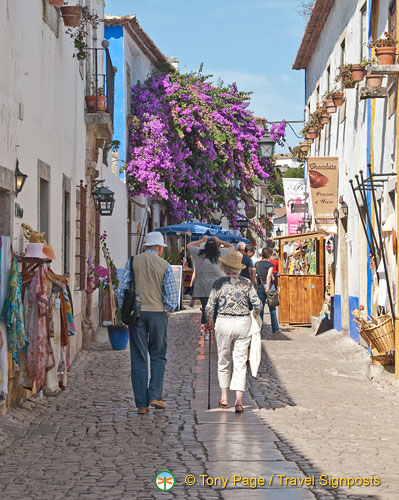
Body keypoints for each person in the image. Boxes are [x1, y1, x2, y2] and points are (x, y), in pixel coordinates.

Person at [118, 232, 179, 414]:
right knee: (158, 355)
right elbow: (172, 296)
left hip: (137, 313)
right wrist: (167, 309)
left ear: (146, 246)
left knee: (139, 356)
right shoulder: (165, 265)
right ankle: (155, 395)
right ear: (159, 248)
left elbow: (122, 290)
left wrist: (125, 309)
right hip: (158, 313)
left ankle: (141, 404)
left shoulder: (132, 261)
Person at [205, 250, 262, 413]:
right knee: (240, 361)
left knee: (223, 360)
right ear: (238, 268)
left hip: (223, 322)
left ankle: (224, 397)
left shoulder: (218, 283)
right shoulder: (246, 283)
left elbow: (210, 307)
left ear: (224, 267)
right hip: (242, 323)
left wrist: (209, 320)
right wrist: (254, 315)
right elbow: (257, 305)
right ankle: (238, 401)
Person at [187, 235, 233, 340]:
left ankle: (207, 332)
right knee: (216, 309)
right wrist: (219, 240)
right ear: (217, 247)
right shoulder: (221, 253)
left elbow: (188, 245)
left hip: (203, 288)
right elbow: (231, 247)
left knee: (205, 309)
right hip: (219, 288)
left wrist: (201, 240)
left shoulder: (199, 253)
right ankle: (216, 329)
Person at [255, 247, 280, 333]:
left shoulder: (257, 264)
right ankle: (275, 328)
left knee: (260, 308)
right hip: (269, 286)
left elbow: (256, 275)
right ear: (269, 254)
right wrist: (268, 287)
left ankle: (259, 327)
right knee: (272, 309)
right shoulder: (270, 265)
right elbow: (268, 276)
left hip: (260, 286)